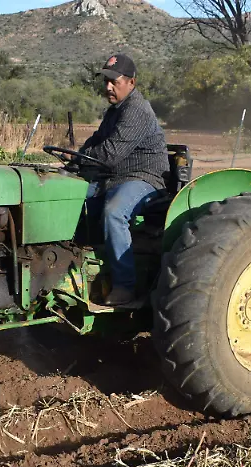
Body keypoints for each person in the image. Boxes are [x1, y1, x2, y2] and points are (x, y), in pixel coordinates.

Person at [78, 53, 170, 307]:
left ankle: (124, 285)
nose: (108, 86)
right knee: (74, 199)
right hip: (115, 177)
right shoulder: (114, 111)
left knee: (114, 212)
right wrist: (76, 159)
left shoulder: (137, 110)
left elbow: (110, 154)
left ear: (131, 82)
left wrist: (84, 157)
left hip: (145, 178)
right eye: (105, 81)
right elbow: (95, 142)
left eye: (114, 81)